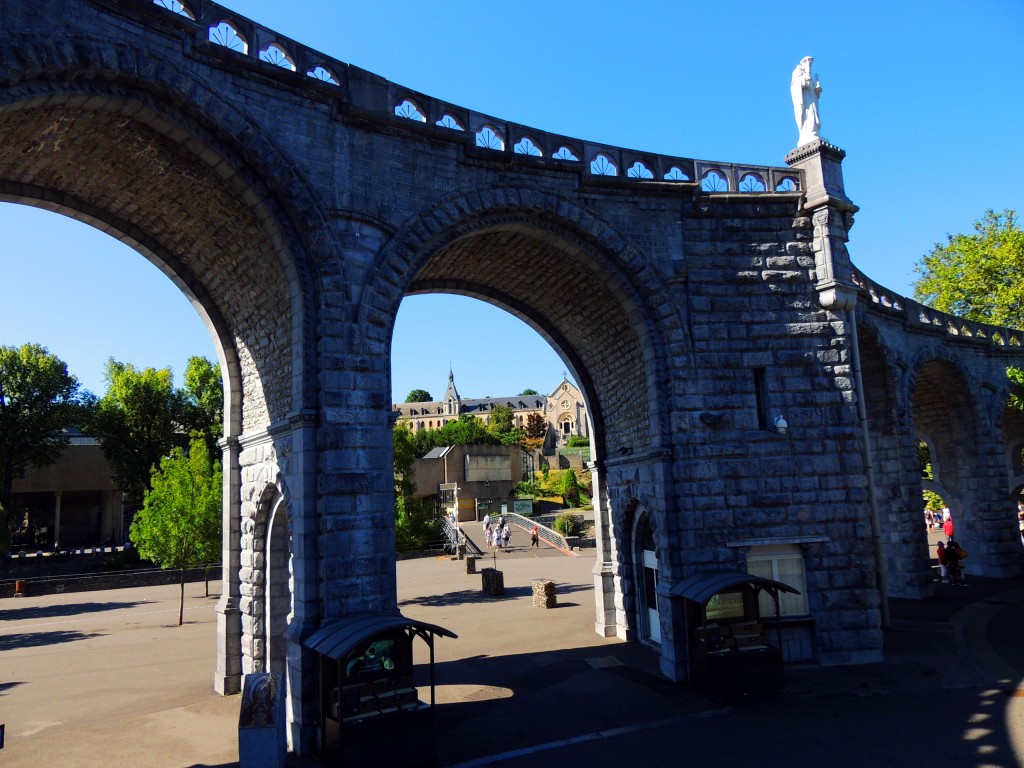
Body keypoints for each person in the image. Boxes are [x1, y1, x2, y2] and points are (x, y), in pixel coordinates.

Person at [790, 56, 822, 146]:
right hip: (806, 103)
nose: (810, 66)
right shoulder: (797, 72)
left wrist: (817, 90)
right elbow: (797, 85)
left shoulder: (808, 75)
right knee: (809, 116)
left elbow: (812, 92)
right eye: (809, 63)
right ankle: (809, 134)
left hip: (812, 101)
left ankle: (814, 132)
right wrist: (807, 75)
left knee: (813, 116)